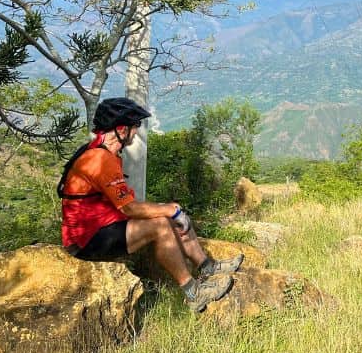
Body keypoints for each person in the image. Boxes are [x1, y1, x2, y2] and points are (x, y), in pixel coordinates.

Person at [58, 97, 243, 312]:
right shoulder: (101, 159)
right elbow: (129, 208)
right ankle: (193, 292)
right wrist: (170, 211)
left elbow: (124, 203)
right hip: (87, 241)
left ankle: (207, 267)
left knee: (170, 211)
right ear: (121, 129)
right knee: (162, 224)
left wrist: (170, 209)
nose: (136, 132)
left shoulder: (101, 152)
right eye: (134, 126)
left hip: (101, 227)